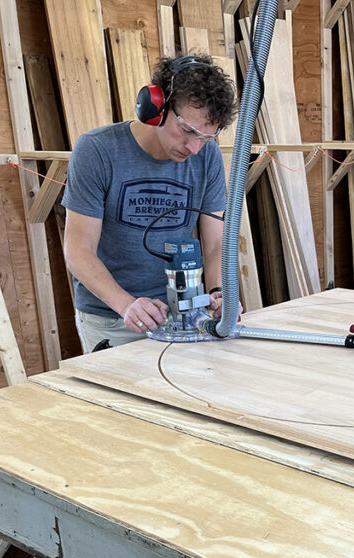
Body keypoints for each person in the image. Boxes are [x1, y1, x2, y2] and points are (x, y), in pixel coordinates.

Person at [62, 54, 238, 352]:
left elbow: (215, 243)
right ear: (155, 108)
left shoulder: (207, 157)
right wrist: (126, 304)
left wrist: (219, 292)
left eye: (207, 137)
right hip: (112, 317)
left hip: (180, 314)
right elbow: (78, 251)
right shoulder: (97, 150)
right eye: (187, 131)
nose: (194, 148)